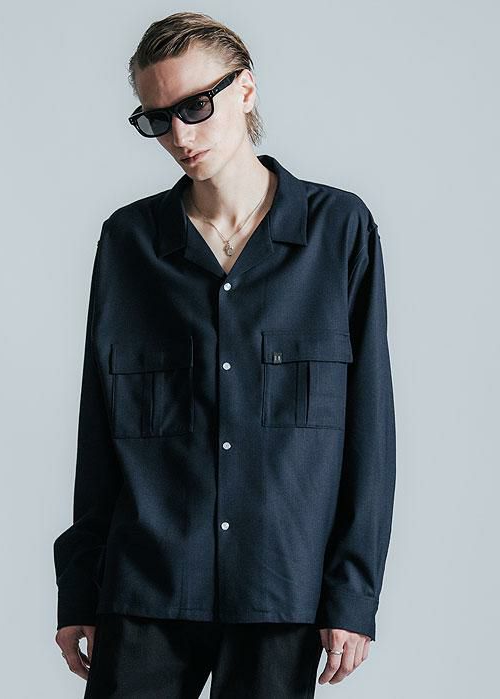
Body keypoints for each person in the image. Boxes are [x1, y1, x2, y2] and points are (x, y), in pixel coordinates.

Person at [53, 11, 396, 698]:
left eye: (195, 107)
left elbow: (369, 430)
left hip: (281, 591)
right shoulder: (129, 243)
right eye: (158, 119)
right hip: (147, 588)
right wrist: (79, 589)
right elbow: (100, 426)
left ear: (246, 89)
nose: (180, 136)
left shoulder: (339, 233)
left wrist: (353, 594)